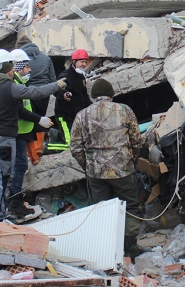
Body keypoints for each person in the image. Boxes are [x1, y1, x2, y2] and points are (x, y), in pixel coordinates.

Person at [0, 49, 66, 224]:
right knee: (3, 177)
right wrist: (56, 85)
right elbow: (37, 92)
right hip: (4, 140)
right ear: (7, 68)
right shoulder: (11, 88)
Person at [70, 79, 143, 258]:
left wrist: (88, 166)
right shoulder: (125, 110)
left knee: (101, 211)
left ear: (93, 96)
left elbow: (75, 147)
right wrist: (131, 160)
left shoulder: (82, 115)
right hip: (123, 170)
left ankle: (106, 250)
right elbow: (136, 140)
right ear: (111, 95)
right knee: (131, 207)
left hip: (96, 173)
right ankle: (130, 248)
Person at [7, 49, 53, 218]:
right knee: (18, 167)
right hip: (18, 132)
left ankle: (13, 201)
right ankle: (14, 203)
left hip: (22, 131)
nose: (30, 70)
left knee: (19, 166)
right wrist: (37, 119)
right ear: (18, 67)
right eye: (27, 67)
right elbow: (20, 110)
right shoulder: (16, 85)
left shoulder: (19, 82)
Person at [17, 34, 57, 165]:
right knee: (41, 118)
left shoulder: (20, 60)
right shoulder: (46, 58)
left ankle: (33, 153)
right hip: (44, 93)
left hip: (27, 93)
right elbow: (52, 78)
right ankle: (39, 148)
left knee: (30, 120)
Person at [53, 49, 92, 151]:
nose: (84, 64)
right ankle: (50, 147)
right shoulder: (66, 76)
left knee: (80, 143)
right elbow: (57, 89)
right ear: (73, 62)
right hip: (65, 117)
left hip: (77, 116)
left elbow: (84, 95)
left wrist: (92, 107)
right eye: (82, 62)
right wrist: (64, 94)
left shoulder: (80, 76)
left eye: (85, 62)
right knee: (70, 143)